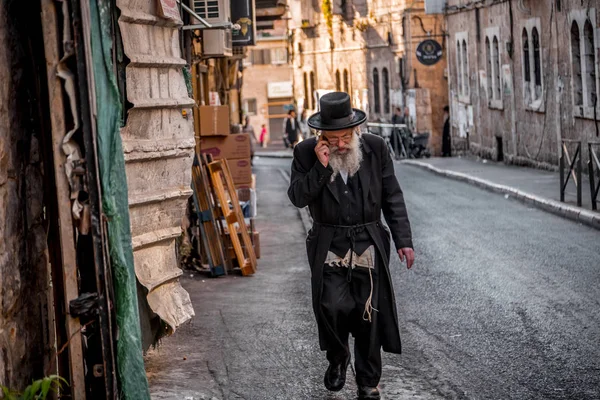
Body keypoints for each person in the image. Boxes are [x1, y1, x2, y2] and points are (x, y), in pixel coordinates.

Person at [288, 92, 415, 400]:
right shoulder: (305, 153)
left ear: (356, 130)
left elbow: (391, 197)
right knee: (330, 307)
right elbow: (297, 197)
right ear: (321, 136)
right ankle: (338, 356)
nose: (341, 144)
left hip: (368, 241)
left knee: (368, 313)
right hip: (329, 243)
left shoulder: (375, 148)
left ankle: (368, 383)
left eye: (345, 137)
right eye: (333, 139)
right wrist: (320, 167)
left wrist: (403, 241)